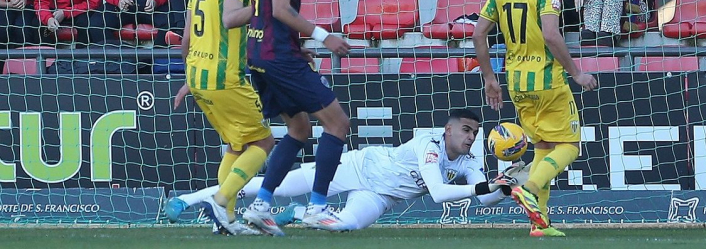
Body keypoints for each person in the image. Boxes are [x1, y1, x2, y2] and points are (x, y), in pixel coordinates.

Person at [164, 109, 516, 229]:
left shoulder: (470, 162)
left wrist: (503, 188)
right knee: (278, 184)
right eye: (465, 130)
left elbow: (483, 200)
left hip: (381, 197)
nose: (470, 137)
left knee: (345, 226)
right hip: (356, 166)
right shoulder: (430, 144)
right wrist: (483, 188)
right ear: (449, 130)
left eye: (474, 132)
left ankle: (298, 214)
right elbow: (439, 194)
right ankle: (186, 199)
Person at [473, 0, 597, 238]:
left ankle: (538, 224)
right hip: (546, 80)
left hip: (515, 81)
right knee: (569, 146)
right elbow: (552, 35)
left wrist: (489, 78)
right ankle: (527, 187)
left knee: (543, 147)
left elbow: (478, 34)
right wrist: (578, 73)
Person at [243, 0, 353, 232]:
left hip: (260, 50)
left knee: (299, 127)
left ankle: (261, 203)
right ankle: (317, 206)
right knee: (338, 124)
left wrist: (293, 43)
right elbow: (278, 6)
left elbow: (263, 8)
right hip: (278, 56)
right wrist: (324, 37)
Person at [173, 0, 277, 237]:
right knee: (263, 140)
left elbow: (187, 38)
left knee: (235, 144)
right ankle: (221, 200)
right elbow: (232, 18)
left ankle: (227, 222)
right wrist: (262, 7)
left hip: (199, 75)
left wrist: (192, 78)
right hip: (225, 77)